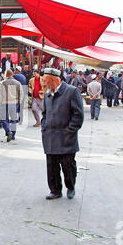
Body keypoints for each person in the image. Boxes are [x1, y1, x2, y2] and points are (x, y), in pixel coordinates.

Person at [41, 68, 84, 200]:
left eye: (45, 79)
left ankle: (70, 187)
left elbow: (78, 115)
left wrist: (69, 131)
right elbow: (45, 114)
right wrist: (44, 127)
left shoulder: (71, 92)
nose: (43, 81)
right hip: (50, 137)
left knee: (68, 166)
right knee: (52, 167)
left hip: (66, 138)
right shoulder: (48, 95)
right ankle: (55, 190)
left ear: (53, 79)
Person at [0, 69, 23, 142]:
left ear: (6, 75)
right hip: (14, 103)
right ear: (12, 74)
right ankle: (13, 135)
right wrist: (19, 103)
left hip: (4, 103)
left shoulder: (2, 83)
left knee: (3, 119)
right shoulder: (18, 83)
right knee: (13, 119)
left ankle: (8, 132)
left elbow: (0, 94)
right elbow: (21, 94)